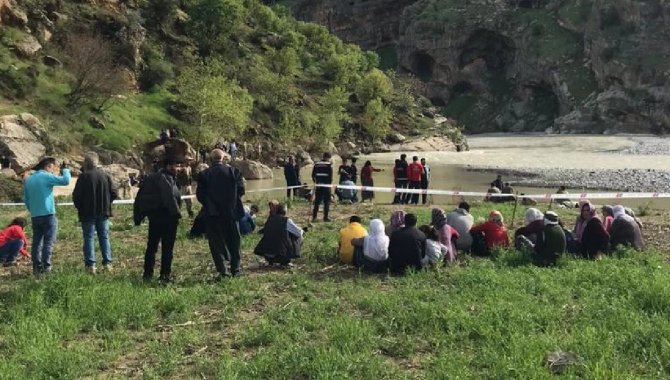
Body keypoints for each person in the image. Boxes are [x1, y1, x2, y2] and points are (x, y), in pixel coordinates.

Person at [197, 149, 246, 279]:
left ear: (211, 159)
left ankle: (223, 270)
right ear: (223, 158)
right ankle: (236, 269)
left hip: (213, 214)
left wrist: (210, 205)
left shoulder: (204, 175)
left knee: (216, 242)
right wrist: (232, 202)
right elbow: (241, 190)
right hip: (231, 211)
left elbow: (200, 196)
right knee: (234, 240)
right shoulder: (234, 172)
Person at [133, 157, 182, 282]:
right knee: (167, 248)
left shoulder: (151, 178)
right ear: (169, 166)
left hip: (154, 218)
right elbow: (169, 197)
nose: (178, 168)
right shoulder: (166, 179)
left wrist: (138, 216)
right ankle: (165, 275)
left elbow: (140, 197)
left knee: (151, 247)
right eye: (176, 165)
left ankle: (147, 274)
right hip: (168, 219)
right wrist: (176, 214)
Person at [24, 156, 71, 276]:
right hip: (48, 214)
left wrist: (33, 210)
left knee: (36, 242)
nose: (53, 171)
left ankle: (36, 268)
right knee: (48, 242)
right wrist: (65, 169)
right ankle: (47, 267)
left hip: (35, 215)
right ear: (48, 166)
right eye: (53, 168)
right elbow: (66, 181)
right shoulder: (46, 176)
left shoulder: (29, 180)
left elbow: (26, 200)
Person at [72, 152, 118, 274]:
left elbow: (76, 197)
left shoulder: (83, 177)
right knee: (104, 237)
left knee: (88, 238)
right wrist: (107, 203)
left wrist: (81, 208)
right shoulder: (106, 176)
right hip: (103, 211)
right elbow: (115, 193)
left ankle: (90, 265)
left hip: (87, 213)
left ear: (86, 163)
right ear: (97, 163)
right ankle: (108, 264)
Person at [311, 152, 333, 222]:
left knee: (317, 201)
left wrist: (316, 182)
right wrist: (329, 185)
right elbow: (330, 177)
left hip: (319, 185)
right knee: (326, 202)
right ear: (327, 157)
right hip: (326, 186)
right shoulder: (329, 165)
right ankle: (325, 217)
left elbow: (313, 175)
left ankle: (314, 217)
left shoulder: (317, 164)